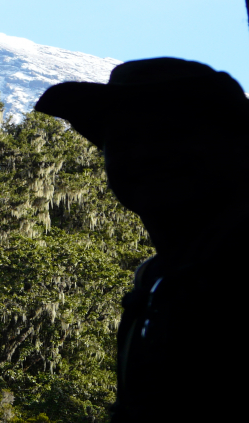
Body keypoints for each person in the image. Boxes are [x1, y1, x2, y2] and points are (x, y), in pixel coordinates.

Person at [35, 57, 248, 422]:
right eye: (123, 141)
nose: (146, 154)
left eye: (172, 135)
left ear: (237, 146)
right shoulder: (154, 283)